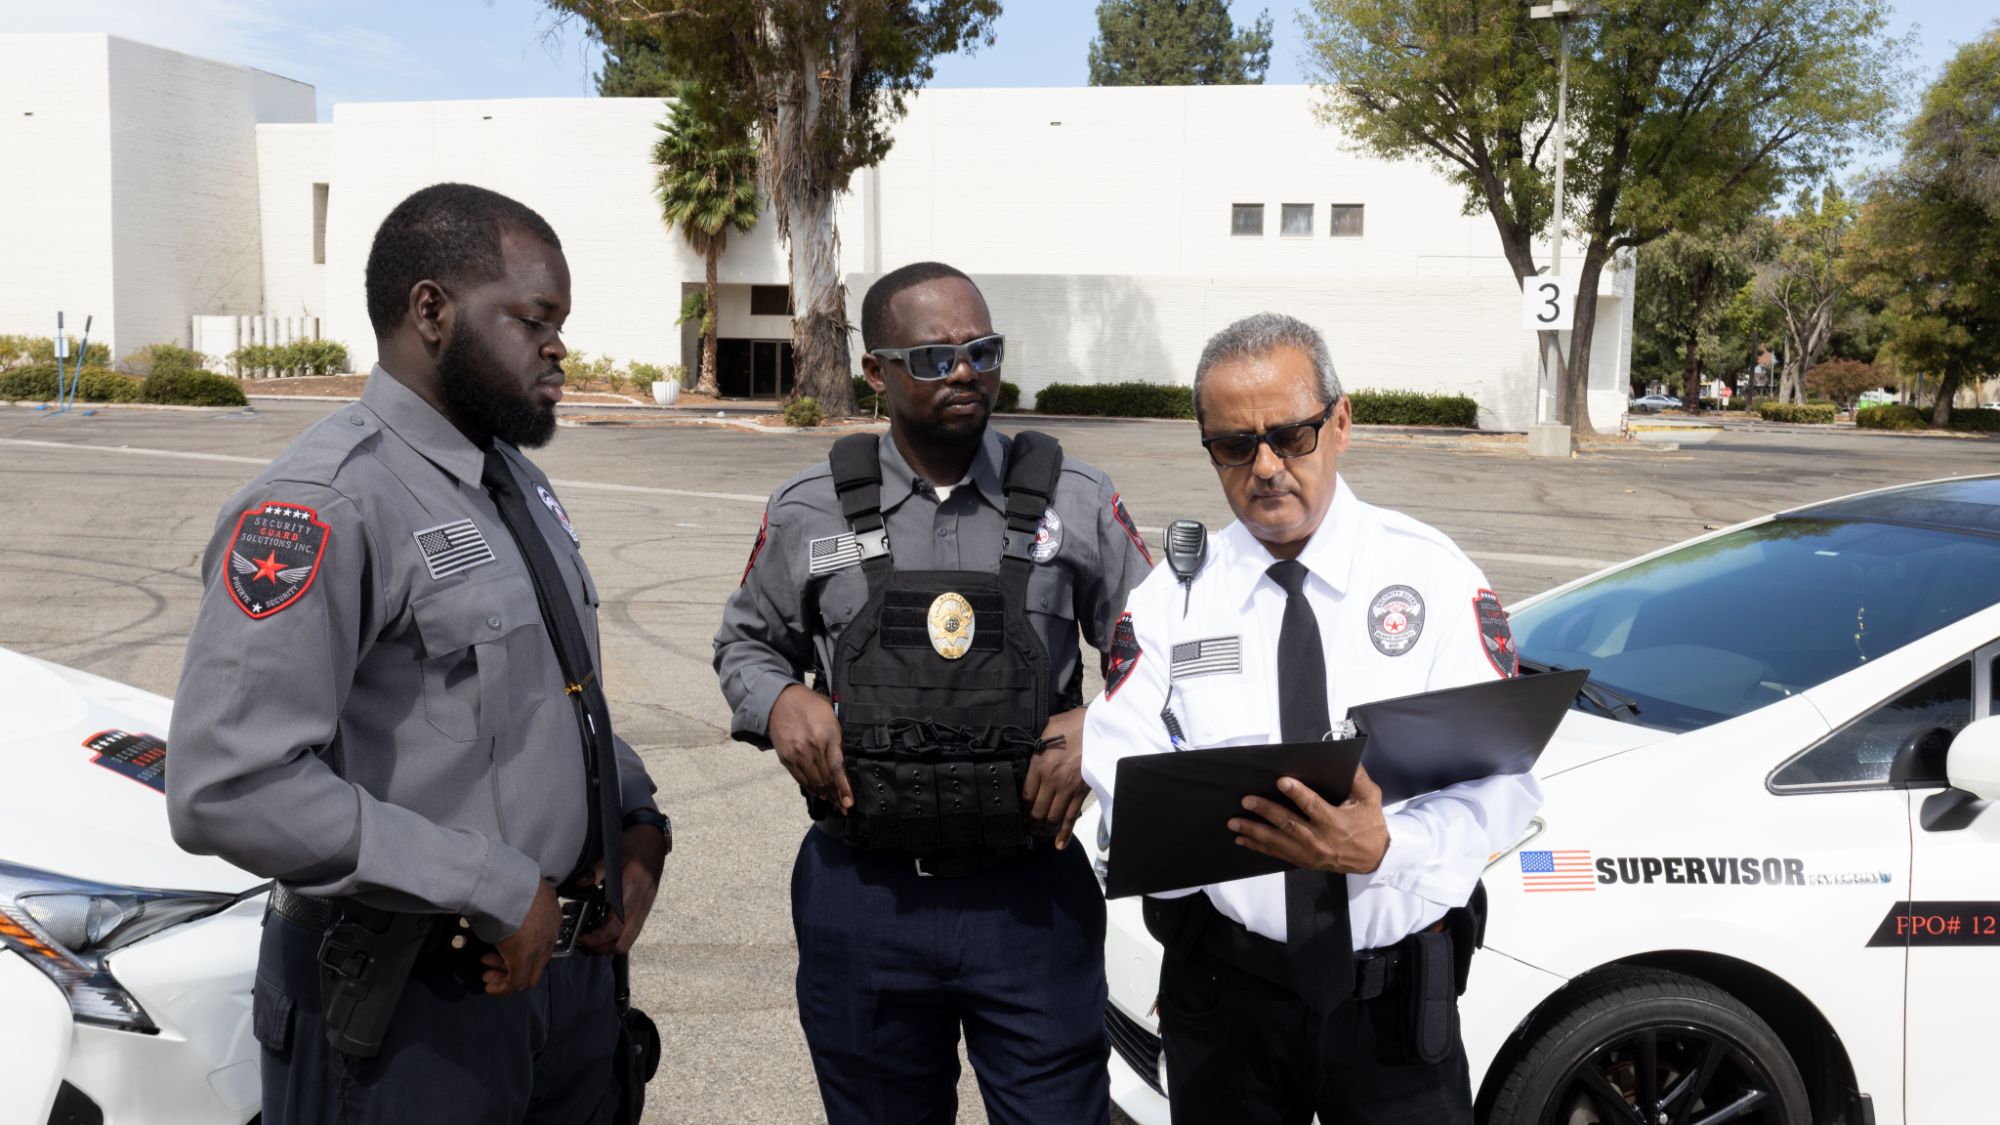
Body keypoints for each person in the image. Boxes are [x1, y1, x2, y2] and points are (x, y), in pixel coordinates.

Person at [167, 183, 668, 1125]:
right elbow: (226, 784)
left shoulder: (511, 480)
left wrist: (632, 818)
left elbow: (544, 697)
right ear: (430, 309)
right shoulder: (328, 503)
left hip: (558, 988)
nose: (558, 346)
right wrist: (486, 879)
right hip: (408, 1013)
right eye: (534, 318)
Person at [713, 260, 1154, 1124]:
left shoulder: (1079, 498)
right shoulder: (811, 508)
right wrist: (777, 701)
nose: (963, 371)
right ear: (875, 371)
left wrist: (1099, 721)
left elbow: (1168, 654)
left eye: (982, 351)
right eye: (932, 357)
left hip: (1030, 897)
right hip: (866, 897)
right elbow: (746, 642)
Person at [1081, 312, 1543, 1124]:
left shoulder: (1430, 578)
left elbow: (1504, 784)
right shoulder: (1171, 601)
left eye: (1290, 435)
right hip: (1229, 1004)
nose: (1264, 467)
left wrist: (1388, 845)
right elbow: (1119, 767)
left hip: (1393, 1009)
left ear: (1340, 421)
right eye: (1233, 445)